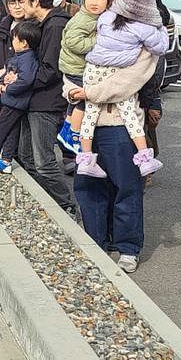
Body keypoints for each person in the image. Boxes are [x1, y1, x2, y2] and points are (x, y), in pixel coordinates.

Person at [66, 44, 158, 273]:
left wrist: (88, 92)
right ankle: (95, 241)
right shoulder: (88, 32)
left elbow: (127, 83)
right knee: (89, 187)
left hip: (121, 125)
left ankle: (128, 247)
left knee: (127, 188)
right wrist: (70, 90)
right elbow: (70, 66)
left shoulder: (139, 37)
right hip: (87, 124)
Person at [75, 0, 169, 178]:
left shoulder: (106, 18)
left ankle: (85, 160)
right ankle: (144, 158)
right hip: (115, 71)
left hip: (93, 69)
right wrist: (162, 29)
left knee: (89, 116)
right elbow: (160, 46)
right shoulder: (142, 27)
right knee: (130, 115)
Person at [14, 0, 77, 213]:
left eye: (23, 2)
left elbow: (51, 69)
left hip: (47, 102)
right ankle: (46, 203)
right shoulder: (43, 23)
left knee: (43, 161)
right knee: (26, 157)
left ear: (36, 2)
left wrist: (21, 83)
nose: (20, 6)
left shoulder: (56, 25)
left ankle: (66, 205)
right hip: (34, 100)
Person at [109, 0, 172, 161]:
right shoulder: (118, 10)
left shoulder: (147, 18)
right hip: (119, 91)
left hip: (137, 93)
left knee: (133, 146)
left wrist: (153, 101)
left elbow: (154, 65)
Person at [0, 22, 41, 173]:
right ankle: (6, 160)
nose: (12, 41)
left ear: (24, 43)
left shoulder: (27, 59)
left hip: (14, 101)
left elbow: (25, 80)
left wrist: (7, 88)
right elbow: (9, 73)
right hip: (14, 101)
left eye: (14, 38)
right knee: (12, 131)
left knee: (1, 129)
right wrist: (1, 84)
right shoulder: (22, 57)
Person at [57, 0, 111, 154]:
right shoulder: (84, 19)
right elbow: (74, 43)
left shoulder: (91, 17)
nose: (94, 2)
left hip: (74, 66)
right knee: (84, 100)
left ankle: (66, 129)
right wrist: (98, 41)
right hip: (76, 68)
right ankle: (74, 134)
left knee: (74, 101)